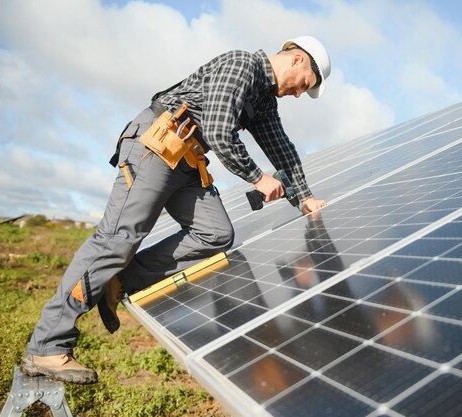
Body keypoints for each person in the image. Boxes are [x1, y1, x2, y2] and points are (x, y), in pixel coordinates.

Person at [20, 35, 331, 384]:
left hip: (187, 161)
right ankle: (47, 344)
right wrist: (258, 178)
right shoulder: (242, 64)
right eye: (305, 85)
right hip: (156, 145)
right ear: (296, 60)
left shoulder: (263, 100)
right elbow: (217, 129)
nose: (300, 93)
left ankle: (122, 279)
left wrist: (305, 197)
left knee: (215, 234)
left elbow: (281, 147)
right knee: (118, 239)